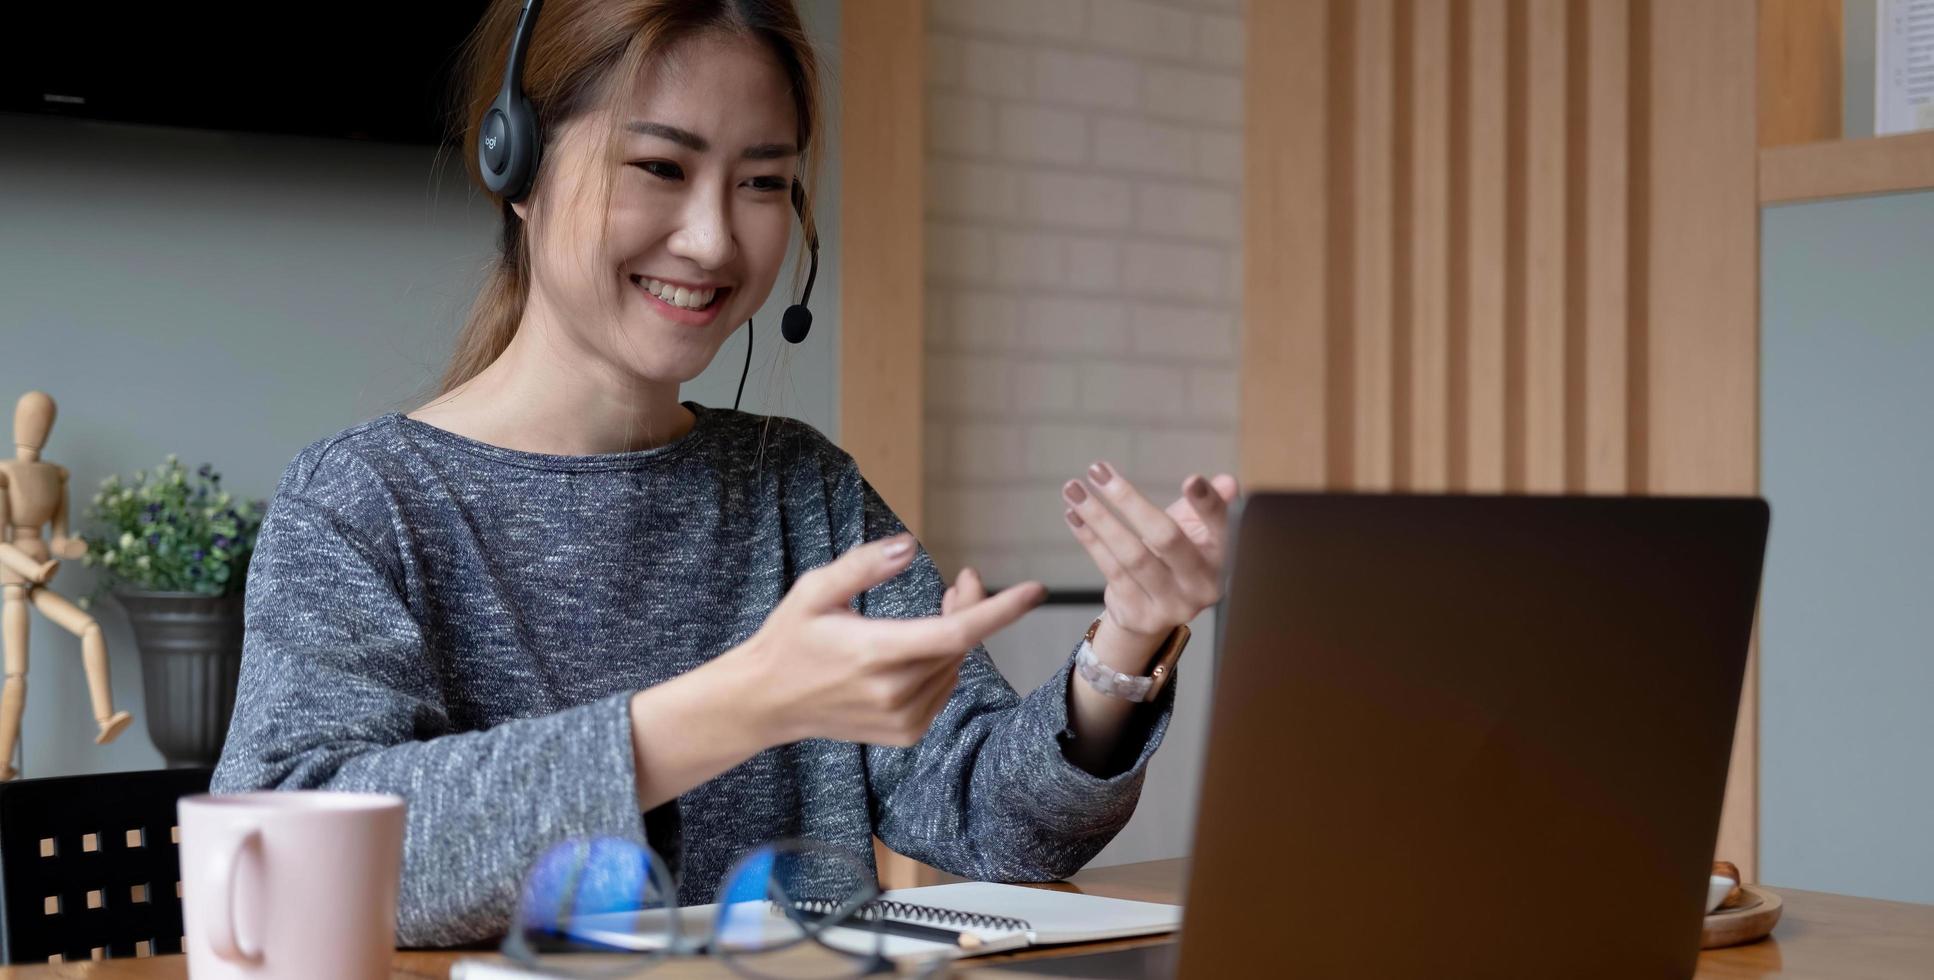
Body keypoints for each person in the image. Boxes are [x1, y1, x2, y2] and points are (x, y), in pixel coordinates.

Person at [210, 0, 1240, 947]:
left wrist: (1127, 638)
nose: (711, 239)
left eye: (760, 182)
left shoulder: (800, 486)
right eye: (660, 167)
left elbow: (989, 822)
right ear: (514, 164)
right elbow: (293, 857)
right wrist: (735, 706)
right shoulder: (363, 500)